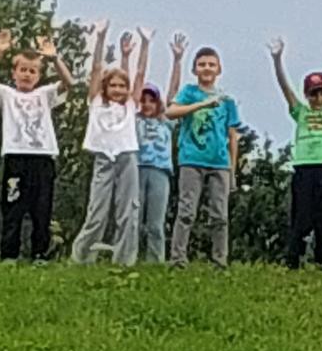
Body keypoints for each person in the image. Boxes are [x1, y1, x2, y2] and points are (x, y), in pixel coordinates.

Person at [0, 28, 74, 263]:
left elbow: (69, 82)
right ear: (14, 73)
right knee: (13, 208)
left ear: (39, 75)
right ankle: (9, 256)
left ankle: (40, 254)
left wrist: (54, 58)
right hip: (16, 158)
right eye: (23, 70)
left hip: (43, 157)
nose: (27, 75)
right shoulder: (6, 94)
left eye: (32, 71)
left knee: (42, 210)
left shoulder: (45, 94)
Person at [268, 30, 322, 270]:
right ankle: (293, 262)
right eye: (314, 94)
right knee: (301, 219)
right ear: (307, 95)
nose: (319, 98)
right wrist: (277, 60)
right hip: (305, 169)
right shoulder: (300, 112)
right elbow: (285, 87)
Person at [72, 23, 150, 266]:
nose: (118, 90)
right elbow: (96, 68)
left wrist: (145, 44)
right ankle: (81, 257)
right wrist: (100, 37)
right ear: (105, 88)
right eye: (113, 85)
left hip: (127, 156)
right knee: (97, 210)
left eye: (122, 86)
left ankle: (124, 260)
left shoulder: (130, 105)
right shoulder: (96, 102)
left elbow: (140, 74)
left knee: (129, 211)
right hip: (104, 157)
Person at [167, 44, 240, 268]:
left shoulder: (227, 100)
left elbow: (233, 135)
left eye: (211, 64)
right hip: (192, 159)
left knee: (220, 215)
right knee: (186, 211)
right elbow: (170, 112)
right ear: (194, 69)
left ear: (219, 69)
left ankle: (220, 261)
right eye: (202, 64)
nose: (207, 68)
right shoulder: (189, 92)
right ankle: (178, 259)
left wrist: (232, 169)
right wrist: (201, 104)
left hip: (219, 162)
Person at [133, 33, 187, 262]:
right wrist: (145, 45)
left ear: (157, 102)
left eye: (151, 100)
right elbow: (137, 80)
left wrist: (177, 61)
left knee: (155, 223)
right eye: (144, 100)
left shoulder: (165, 120)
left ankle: (155, 261)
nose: (147, 104)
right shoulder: (133, 120)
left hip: (160, 171)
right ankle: (129, 257)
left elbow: (174, 93)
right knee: (134, 219)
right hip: (136, 169)